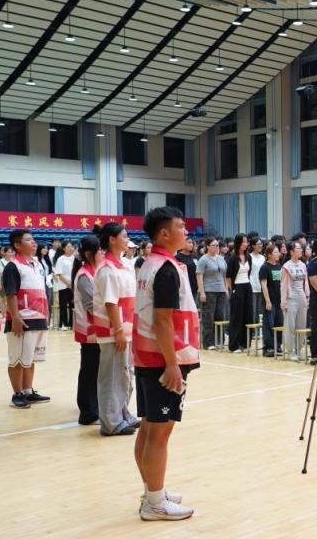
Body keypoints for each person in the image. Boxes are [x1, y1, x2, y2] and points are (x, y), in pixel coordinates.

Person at [132, 206, 199, 521]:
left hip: (147, 356)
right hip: (163, 359)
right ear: (164, 233)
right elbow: (162, 320)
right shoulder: (167, 269)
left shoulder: (151, 263)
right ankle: (155, 504)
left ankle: (153, 492)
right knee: (160, 432)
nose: (186, 231)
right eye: (181, 227)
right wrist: (172, 365)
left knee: (148, 428)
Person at [93, 222, 140, 437]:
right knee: (112, 376)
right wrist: (118, 330)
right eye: (124, 235)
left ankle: (122, 413)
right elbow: (111, 302)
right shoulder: (106, 268)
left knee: (125, 374)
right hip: (113, 330)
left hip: (127, 328)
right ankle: (110, 423)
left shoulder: (123, 265)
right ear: (112, 240)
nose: (127, 239)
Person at [2, 229, 51, 409]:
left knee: (30, 359)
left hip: (38, 318)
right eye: (28, 239)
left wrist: (46, 314)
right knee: (17, 359)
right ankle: (17, 394)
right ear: (17, 245)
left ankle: (28, 391)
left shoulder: (37, 264)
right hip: (22, 319)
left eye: (33, 239)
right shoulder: (13, 266)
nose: (34, 242)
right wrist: (15, 317)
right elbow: (11, 294)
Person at [72, 234, 102, 426]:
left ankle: (95, 408)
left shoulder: (95, 271)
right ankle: (88, 413)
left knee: (96, 371)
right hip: (90, 330)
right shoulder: (84, 275)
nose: (103, 254)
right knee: (90, 372)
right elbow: (92, 305)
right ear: (90, 254)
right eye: (100, 251)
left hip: (99, 328)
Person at [196, 238, 228, 351]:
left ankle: (219, 340)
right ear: (208, 247)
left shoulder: (221, 259)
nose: (217, 247)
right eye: (214, 245)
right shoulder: (203, 260)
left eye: (217, 245)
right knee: (208, 317)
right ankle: (208, 342)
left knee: (220, 316)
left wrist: (226, 289)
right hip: (209, 291)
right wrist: (202, 292)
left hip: (221, 291)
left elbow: (224, 275)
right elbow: (199, 276)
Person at [280, 242, 309, 361]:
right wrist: (283, 302)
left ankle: (299, 349)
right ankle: (290, 351)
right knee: (290, 325)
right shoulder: (286, 266)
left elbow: (306, 282)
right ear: (291, 251)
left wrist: (307, 296)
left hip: (302, 297)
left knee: (301, 324)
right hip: (290, 298)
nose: (301, 250)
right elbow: (283, 286)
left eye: (301, 248)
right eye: (298, 248)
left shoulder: (303, 265)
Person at [225, 234, 253, 353]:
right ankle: (233, 345)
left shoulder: (248, 257)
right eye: (243, 242)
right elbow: (228, 277)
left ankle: (245, 343)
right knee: (237, 316)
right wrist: (232, 289)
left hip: (247, 286)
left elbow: (249, 272)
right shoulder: (232, 258)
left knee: (248, 315)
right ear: (238, 243)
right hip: (237, 287)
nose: (246, 244)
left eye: (247, 242)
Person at [259, 243, 284, 357]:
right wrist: (267, 301)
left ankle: (277, 345)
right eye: (275, 252)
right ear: (269, 254)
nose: (278, 254)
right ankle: (268, 347)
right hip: (270, 301)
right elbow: (264, 285)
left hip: (279, 300)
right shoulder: (264, 267)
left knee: (279, 323)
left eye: (278, 252)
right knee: (269, 324)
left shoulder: (279, 266)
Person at [53, 241, 76, 329]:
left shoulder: (75, 258)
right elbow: (59, 273)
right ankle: (64, 324)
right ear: (64, 248)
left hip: (73, 285)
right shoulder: (61, 259)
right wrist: (68, 283)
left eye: (71, 246)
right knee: (63, 305)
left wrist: (72, 283)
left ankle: (72, 323)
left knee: (72, 305)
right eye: (68, 246)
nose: (70, 248)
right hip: (63, 285)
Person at [248, 237, 265, 325]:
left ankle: (260, 329)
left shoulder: (263, 257)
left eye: (261, 244)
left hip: (262, 285)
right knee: (253, 309)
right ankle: (252, 329)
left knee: (260, 310)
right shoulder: (249, 257)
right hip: (252, 284)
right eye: (258, 244)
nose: (260, 246)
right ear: (253, 245)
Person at [175, 238, 198, 302]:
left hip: (194, 287)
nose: (191, 245)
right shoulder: (177, 257)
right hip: (183, 287)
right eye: (189, 243)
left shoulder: (195, 256)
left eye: (192, 243)